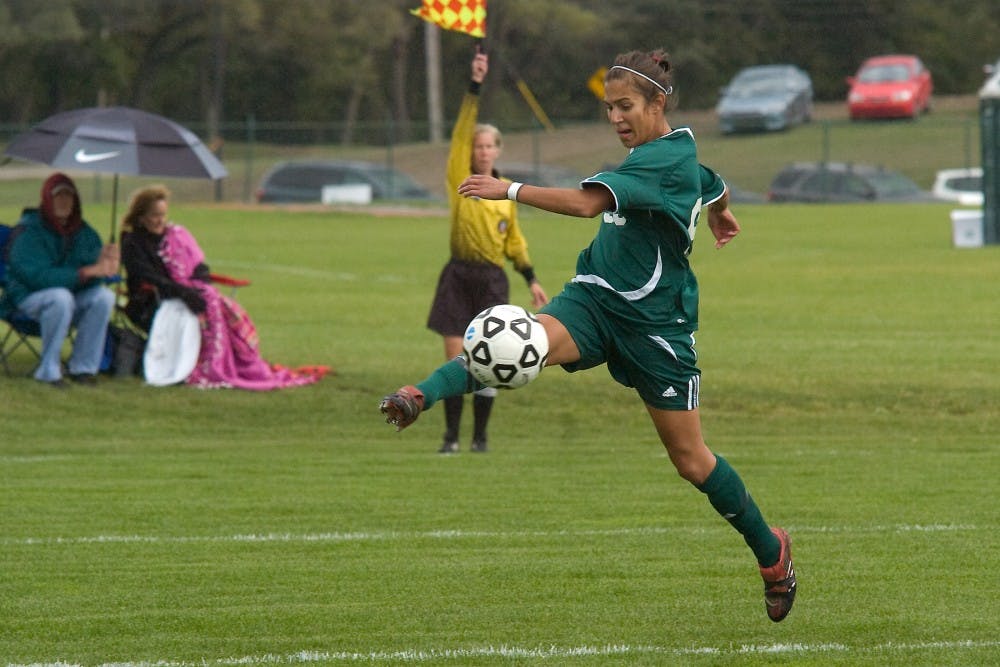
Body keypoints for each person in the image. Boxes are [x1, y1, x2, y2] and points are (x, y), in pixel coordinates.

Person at [380, 49, 796, 622]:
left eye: (626, 106)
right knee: (513, 343)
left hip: (656, 327)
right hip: (595, 299)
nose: (616, 118)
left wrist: (510, 189)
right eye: (608, 108)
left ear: (658, 102)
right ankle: (421, 394)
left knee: (691, 461)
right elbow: (711, 182)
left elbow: (583, 203)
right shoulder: (668, 157)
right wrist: (721, 210)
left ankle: (771, 553)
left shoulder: (662, 162)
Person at [426, 46, 548, 454]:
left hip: (492, 279)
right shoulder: (461, 180)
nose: (481, 151)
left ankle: (479, 439)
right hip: (458, 276)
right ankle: (449, 439)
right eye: (476, 147)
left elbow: (514, 241)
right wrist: (473, 85)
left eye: (487, 147)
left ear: (497, 150)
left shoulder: (505, 193)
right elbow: (461, 133)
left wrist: (530, 278)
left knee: (488, 360)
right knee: (454, 357)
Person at [120, 185, 328, 390]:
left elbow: (199, 267)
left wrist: (198, 284)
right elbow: (147, 276)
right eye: (155, 215)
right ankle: (203, 366)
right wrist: (183, 292)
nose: (161, 221)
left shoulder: (177, 236)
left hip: (189, 294)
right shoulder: (132, 243)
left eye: (163, 214)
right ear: (141, 216)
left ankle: (232, 364)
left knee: (224, 309)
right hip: (152, 302)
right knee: (199, 312)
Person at [0, 173, 118, 388]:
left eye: (69, 196)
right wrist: (86, 273)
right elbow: (37, 278)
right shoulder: (28, 232)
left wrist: (104, 265)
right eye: (58, 196)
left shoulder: (85, 233)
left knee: (104, 297)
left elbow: (91, 278)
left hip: (68, 299)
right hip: (26, 299)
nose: (64, 201)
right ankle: (48, 371)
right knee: (60, 297)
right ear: (47, 198)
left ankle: (83, 368)